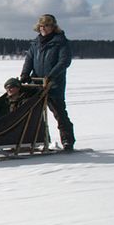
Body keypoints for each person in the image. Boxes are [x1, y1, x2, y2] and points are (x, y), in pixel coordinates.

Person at [20, 13, 75, 151]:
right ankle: (38, 139)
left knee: (59, 112)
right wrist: (25, 74)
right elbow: (29, 59)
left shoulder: (60, 42)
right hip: (37, 83)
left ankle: (67, 141)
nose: (43, 28)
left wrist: (51, 76)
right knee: (32, 112)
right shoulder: (36, 43)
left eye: (46, 25)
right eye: (41, 26)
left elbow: (64, 61)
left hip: (54, 84)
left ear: (53, 27)